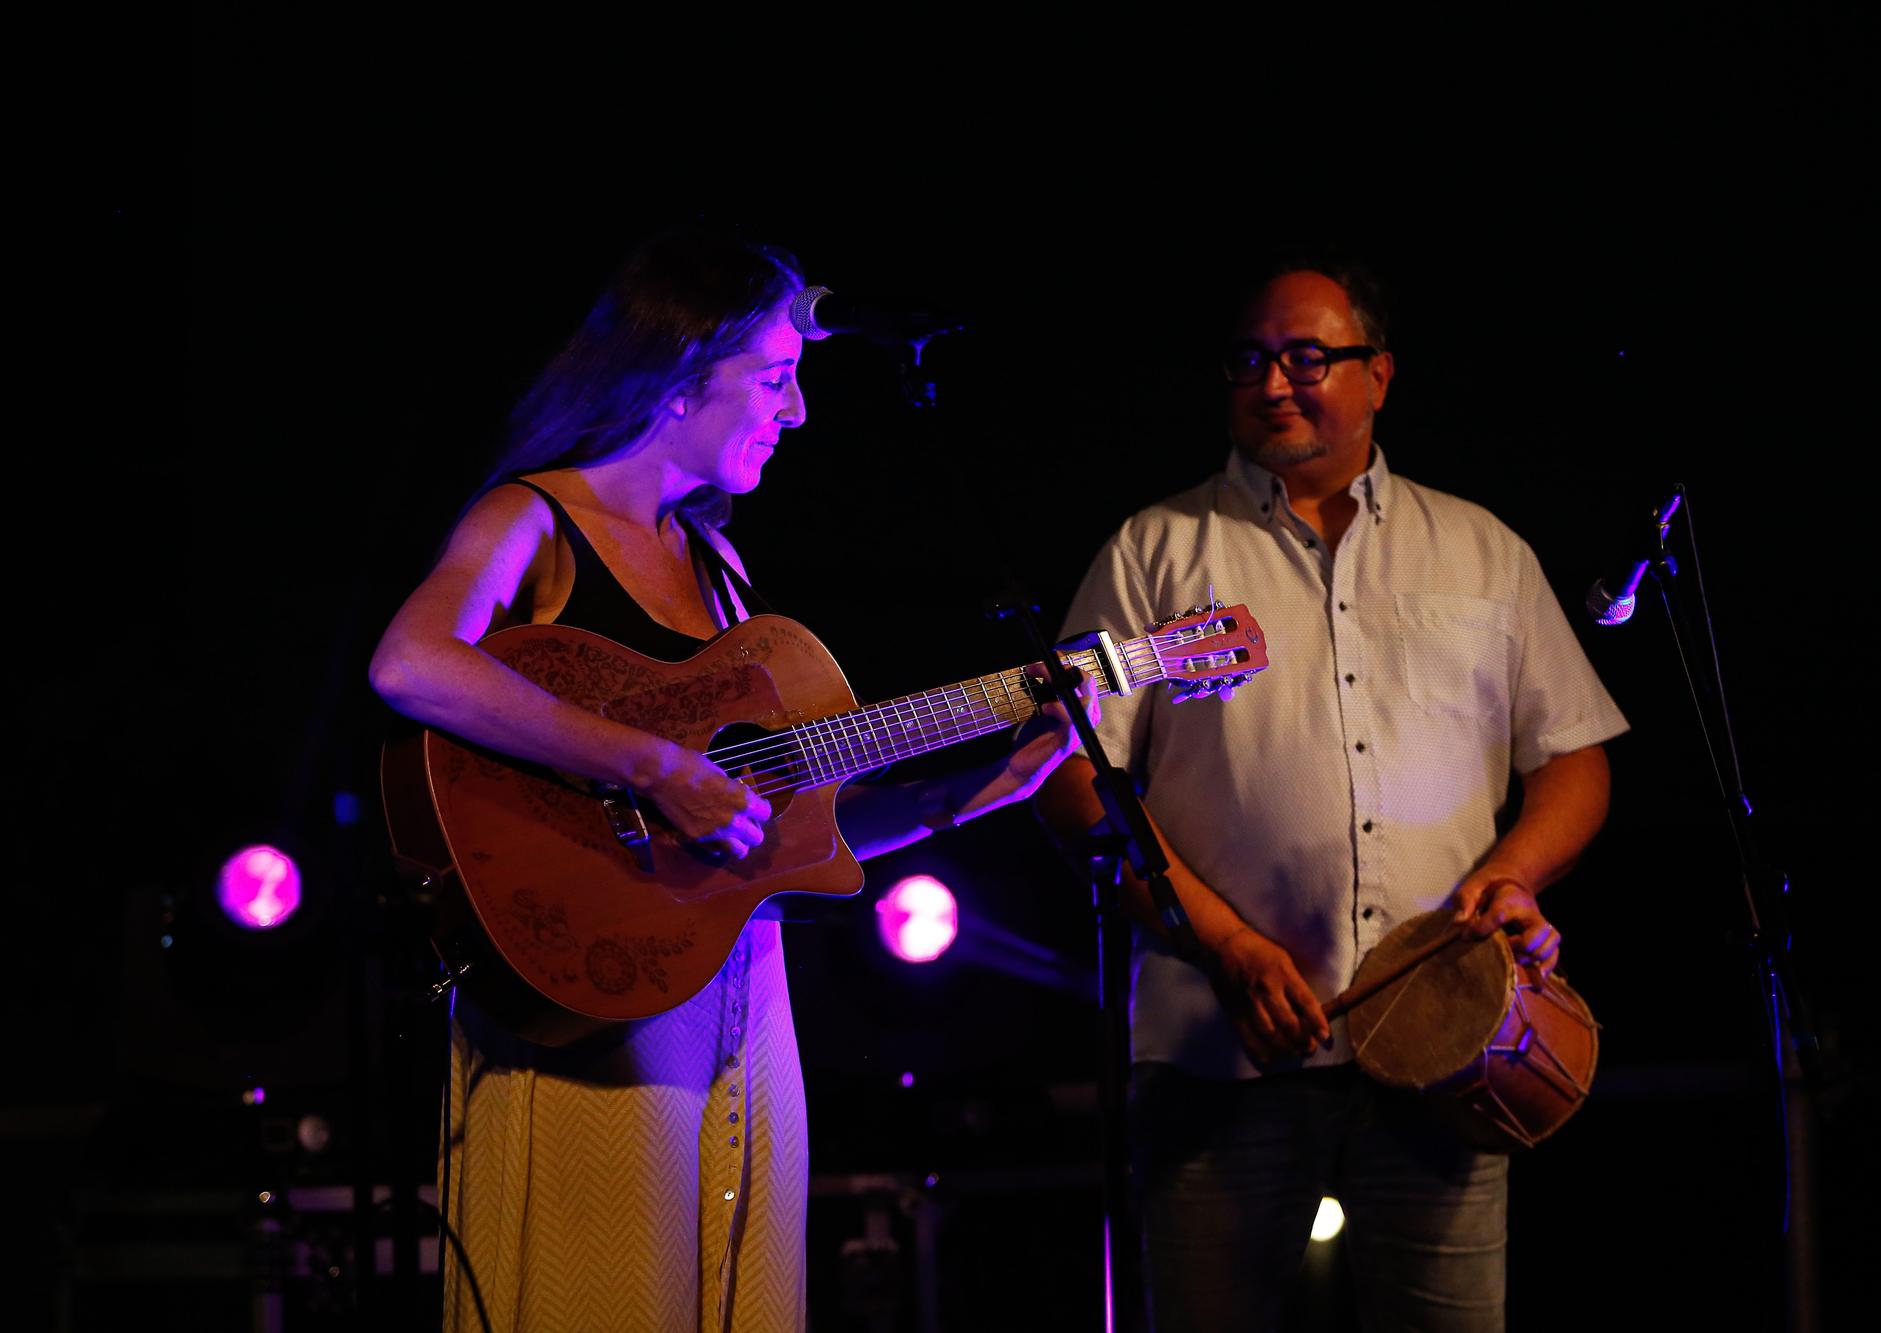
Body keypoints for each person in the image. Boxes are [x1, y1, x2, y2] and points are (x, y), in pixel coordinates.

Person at [369, 228, 1096, 1333]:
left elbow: (790, 831)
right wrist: (648, 763)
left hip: (735, 988)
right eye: (772, 376)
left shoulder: (720, 564)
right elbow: (410, 663)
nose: (796, 411)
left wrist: (977, 791)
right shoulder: (535, 518)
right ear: (675, 375)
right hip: (589, 990)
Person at [1034, 257, 1627, 1332]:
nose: (1272, 383)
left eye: (1306, 357)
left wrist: (1510, 874)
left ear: (1379, 374)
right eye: (1249, 361)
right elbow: (1071, 775)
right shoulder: (1154, 550)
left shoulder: (1481, 548)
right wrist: (1226, 943)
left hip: (1448, 1051)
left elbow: (1574, 757)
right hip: (1219, 1058)